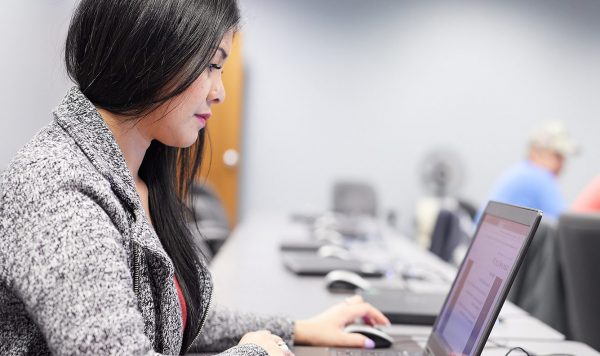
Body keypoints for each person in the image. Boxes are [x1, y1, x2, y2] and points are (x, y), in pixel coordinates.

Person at [0, 0, 390, 355]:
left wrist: (297, 329)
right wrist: (255, 353)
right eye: (211, 65)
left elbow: (170, 318)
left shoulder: (138, 178)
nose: (219, 92)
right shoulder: (58, 191)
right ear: (150, 52)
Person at [476, 121, 578, 222]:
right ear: (535, 152)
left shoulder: (518, 171)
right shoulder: (540, 177)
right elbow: (566, 224)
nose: (561, 165)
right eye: (557, 156)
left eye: (563, 158)